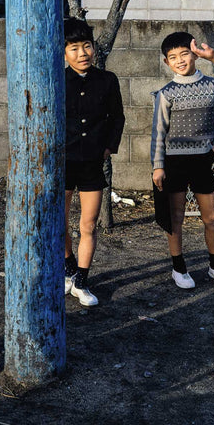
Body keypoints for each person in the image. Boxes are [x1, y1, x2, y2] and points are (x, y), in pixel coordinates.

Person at [151, 31, 214, 289]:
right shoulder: (166, 93)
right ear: (167, 62)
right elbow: (158, 132)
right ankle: (179, 269)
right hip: (174, 163)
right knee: (175, 218)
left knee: (210, 217)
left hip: (202, 161)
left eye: (184, 54)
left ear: (194, 54)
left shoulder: (213, 86)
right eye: (173, 57)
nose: (180, 60)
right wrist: (158, 166)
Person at [64, 17, 125, 306]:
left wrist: (108, 148)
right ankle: (67, 268)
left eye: (86, 46)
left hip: (91, 163)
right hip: (61, 162)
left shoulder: (108, 80)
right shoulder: (56, 80)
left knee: (88, 225)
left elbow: (118, 118)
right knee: (59, 223)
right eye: (74, 48)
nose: (82, 53)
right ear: (64, 52)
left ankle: (82, 281)